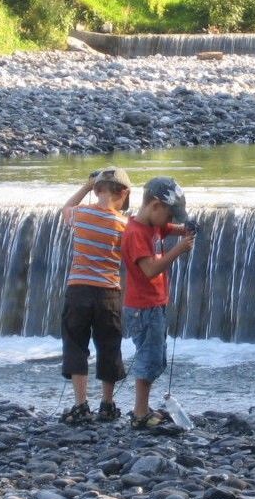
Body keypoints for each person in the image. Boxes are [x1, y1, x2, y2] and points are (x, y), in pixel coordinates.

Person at [122, 176, 196, 430]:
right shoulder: (134, 234)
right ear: (155, 206)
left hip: (154, 305)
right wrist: (179, 249)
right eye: (169, 214)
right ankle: (140, 413)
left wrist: (184, 228)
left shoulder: (153, 226)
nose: (170, 221)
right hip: (142, 309)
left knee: (156, 358)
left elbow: (168, 229)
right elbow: (150, 270)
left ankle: (142, 408)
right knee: (149, 359)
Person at [59, 167, 131, 425]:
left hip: (78, 289)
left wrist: (85, 187)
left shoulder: (80, 214)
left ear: (97, 189)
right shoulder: (124, 224)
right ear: (123, 193)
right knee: (109, 345)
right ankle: (108, 404)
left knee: (76, 343)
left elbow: (65, 208)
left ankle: (80, 405)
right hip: (109, 292)